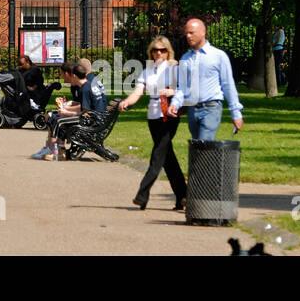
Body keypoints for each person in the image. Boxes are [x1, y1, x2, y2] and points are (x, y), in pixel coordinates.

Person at [118, 36, 187, 211]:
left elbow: (185, 90)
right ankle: (183, 196)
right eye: (155, 50)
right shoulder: (147, 70)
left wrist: (170, 91)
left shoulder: (174, 69)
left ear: (168, 51)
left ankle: (142, 195)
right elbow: (138, 91)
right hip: (153, 115)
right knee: (167, 157)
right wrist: (127, 102)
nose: (158, 53)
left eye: (162, 50)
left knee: (158, 156)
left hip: (169, 114)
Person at [168, 17, 244, 141]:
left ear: (203, 32)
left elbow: (228, 85)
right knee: (197, 147)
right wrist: (175, 103)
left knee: (204, 144)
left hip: (211, 108)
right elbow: (183, 87)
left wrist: (236, 113)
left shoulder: (218, 56)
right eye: (186, 33)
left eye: (191, 32)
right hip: (192, 109)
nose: (188, 36)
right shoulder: (185, 58)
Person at [32, 59, 107, 160]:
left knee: (60, 121)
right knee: (57, 117)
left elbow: (85, 112)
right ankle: (55, 149)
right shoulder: (88, 85)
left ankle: (58, 150)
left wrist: (67, 112)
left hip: (92, 120)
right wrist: (69, 107)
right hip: (96, 118)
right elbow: (85, 108)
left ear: (75, 76)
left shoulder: (85, 88)